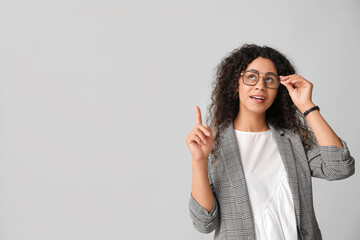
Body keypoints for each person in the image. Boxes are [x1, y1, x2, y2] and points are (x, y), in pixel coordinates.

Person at [185, 44, 355, 240]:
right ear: (235, 83)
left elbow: (340, 167)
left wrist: (307, 106)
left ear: (279, 89)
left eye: (269, 79)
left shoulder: (292, 142)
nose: (260, 86)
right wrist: (199, 161)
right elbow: (204, 223)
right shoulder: (213, 145)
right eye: (251, 77)